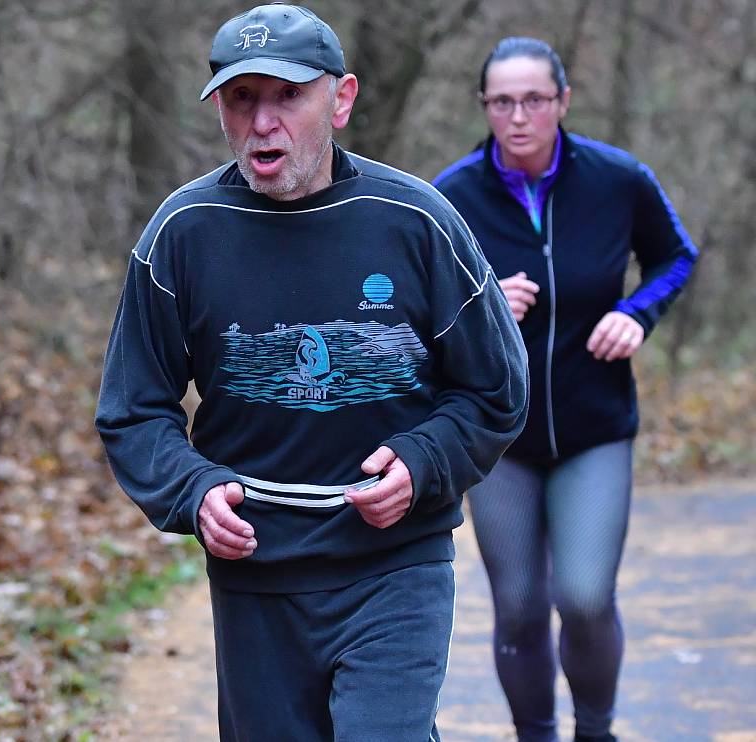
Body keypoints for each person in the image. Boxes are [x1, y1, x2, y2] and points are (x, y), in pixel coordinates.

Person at [95, 5, 529, 741]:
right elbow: (134, 409)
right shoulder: (181, 233)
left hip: (396, 561)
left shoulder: (416, 220)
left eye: (288, 96)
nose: (264, 123)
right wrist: (193, 491)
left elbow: (497, 389)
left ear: (342, 98)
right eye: (242, 99)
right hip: (259, 572)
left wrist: (424, 461)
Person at [433, 37, 697, 742]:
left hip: (595, 427)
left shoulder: (617, 179)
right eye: (502, 102)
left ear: (563, 101)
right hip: (497, 435)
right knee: (518, 606)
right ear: (485, 106)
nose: (518, 116)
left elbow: (676, 256)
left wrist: (635, 314)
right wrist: (480, 305)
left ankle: (596, 731)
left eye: (534, 100)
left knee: (582, 597)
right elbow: (414, 312)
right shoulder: (449, 198)